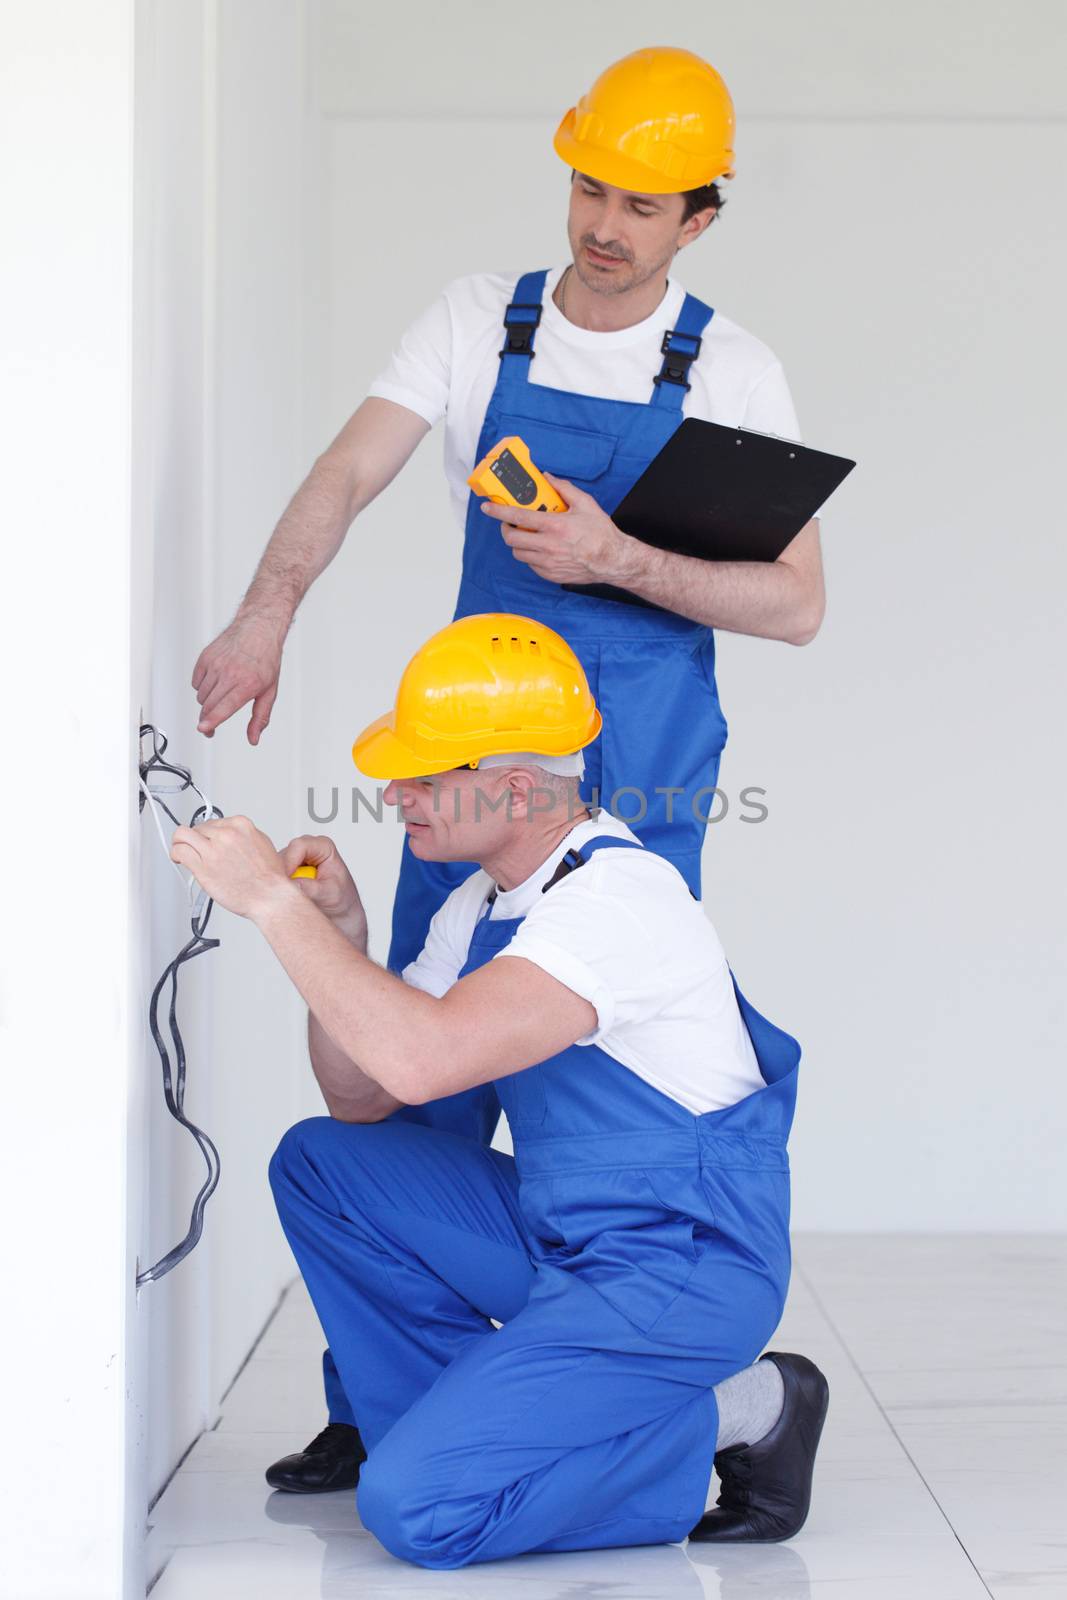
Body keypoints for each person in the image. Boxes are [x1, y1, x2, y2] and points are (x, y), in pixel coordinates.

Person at [191, 45, 827, 1490]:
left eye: (643, 204)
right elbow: (348, 470)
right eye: (588, 186)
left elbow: (794, 601)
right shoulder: (484, 323)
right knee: (407, 1063)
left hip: (641, 776)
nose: (604, 224)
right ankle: (382, 1397)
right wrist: (266, 609)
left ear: (698, 220)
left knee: (599, 1064)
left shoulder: (727, 367)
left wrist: (616, 558)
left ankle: (648, 1353)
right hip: (475, 761)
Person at [171, 614, 829, 1568]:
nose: (396, 795)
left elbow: (423, 1063)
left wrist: (271, 907)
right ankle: (466, 1432)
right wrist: (343, 942)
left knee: (420, 1513)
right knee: (324, 1163)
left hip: (678, 1269)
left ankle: (744, 1410)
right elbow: (362, 1096)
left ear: (515, 787)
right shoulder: (479, 902)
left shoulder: (615, 904)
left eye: (426, 777)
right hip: (565, 1236)